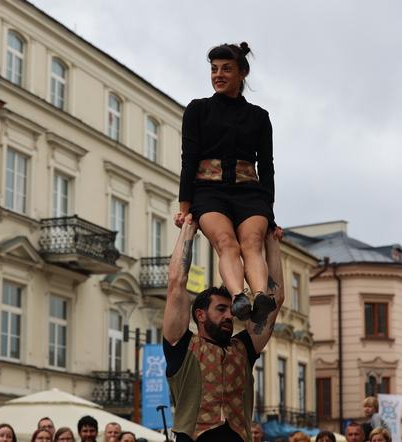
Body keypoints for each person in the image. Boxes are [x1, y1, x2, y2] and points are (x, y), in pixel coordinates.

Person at [175, 41, 278, 327]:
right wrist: (185, 208)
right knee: (226, 242)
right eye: (214, 69)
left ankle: (261, 297)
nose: (218, 74)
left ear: (242, 73)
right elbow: (189, 160)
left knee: (253, 242)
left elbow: (267, 167)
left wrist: (270, 216)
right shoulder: (198, 110)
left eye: (226, 69)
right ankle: (238, 297)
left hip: (250, 191)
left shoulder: (259, 117)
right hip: (209, 192)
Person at [163, 215, 285, 441]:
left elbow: (274, 300)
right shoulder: (182, 345)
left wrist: (272, 243)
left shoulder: (243, 348)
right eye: (221, 309)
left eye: (231, 309)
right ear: (200, 315)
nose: (230, 315)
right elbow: (176, 283)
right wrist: (189, 228)